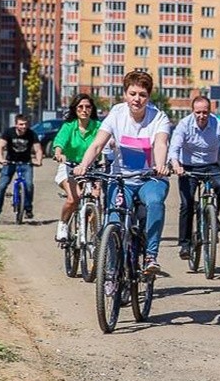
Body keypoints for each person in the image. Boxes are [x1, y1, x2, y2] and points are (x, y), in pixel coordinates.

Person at [73, 70, 171, 275]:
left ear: (148, 96)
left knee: (154, 202)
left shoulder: (159, 118)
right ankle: (110, 270)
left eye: (142, 95)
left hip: (149, 177)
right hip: (121, 179)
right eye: (133, 93)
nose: (137, 99)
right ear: (125, 94)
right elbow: (97, 144)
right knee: (113, 221)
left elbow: (161, 143)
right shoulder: (116, 114)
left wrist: (160, 165)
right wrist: (83, 165)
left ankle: (151, 256)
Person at [168, 95, 220, 260]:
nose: (202, 116)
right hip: (187, 167)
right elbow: (175, 146)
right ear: (192, 112)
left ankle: (213, 215)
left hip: (210, 164)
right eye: (198, 112)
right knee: (187, 204)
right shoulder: (184, 124)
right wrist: (175, 164)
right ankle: (185, 244)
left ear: (210, 111)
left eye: (205, 112)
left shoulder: (218, 124)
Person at [51, 93, 101, 242]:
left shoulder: (98, 126)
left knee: (95, 199)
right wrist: (59, 153)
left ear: (92, 109)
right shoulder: (69, 126)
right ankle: (63, 224)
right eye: (80, 107)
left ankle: (96, 237)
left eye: (88, 107)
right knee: (74, 198)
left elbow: (106, 143)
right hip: (69, 167)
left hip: (91, 168)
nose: (84, 110)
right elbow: (60, 141)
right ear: (75, 109)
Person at [0, 114, 43, 222]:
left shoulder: (31, 134)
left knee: (29, 185)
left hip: (26, 163)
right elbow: (0, 146)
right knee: (2, 186)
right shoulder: (9, 132)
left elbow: (38, 150)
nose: (23, 126)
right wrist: (1, 158)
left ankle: (28, 209)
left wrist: (39, 160)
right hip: (10, 162)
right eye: (21, 124)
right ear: (16, 124)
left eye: (25, 124)